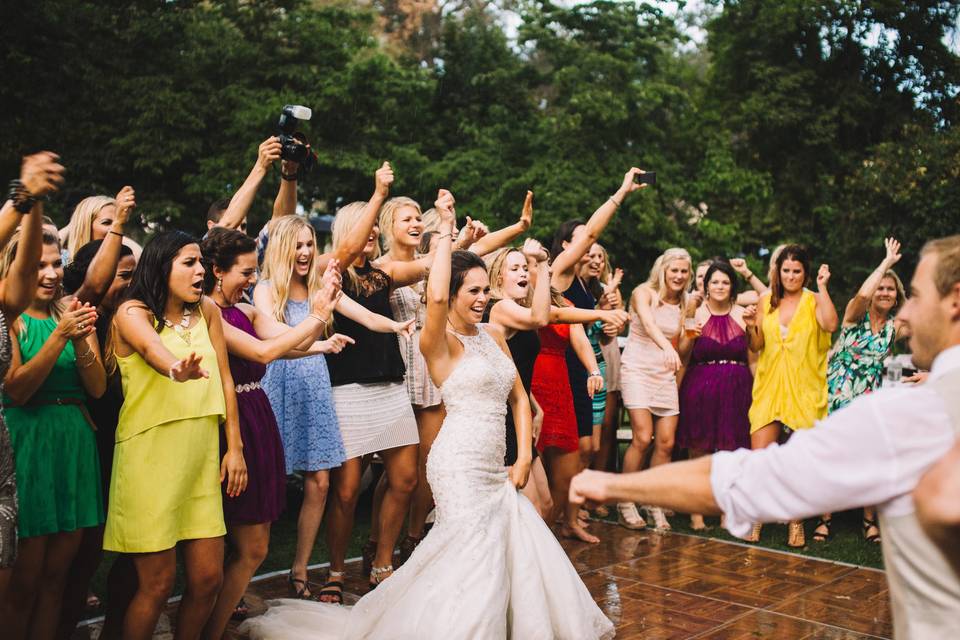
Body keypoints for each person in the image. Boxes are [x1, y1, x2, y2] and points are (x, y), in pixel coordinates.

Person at [242, 189, 615, 640]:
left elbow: (518, 398)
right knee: (470, 550)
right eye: (472, 292)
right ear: (453, 295)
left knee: (506, 544)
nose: (482, 299)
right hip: (457, 464)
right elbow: (433, 296)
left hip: (497, 465)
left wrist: (520, 459)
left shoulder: (494, 336)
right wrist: (443, 230)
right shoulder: (437, 345)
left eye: (484, 291)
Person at [570, 234, 960, 640]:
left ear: (954, 300)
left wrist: (612, 483)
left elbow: (750, 479)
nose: (907, 311)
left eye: (914, 295)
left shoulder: (906, 415)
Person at [199, 227, 351, 637]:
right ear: (217, 270)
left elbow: (284, 340)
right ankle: (208, 628)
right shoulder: (205, 312)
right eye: (245, 272)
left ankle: (214, 623)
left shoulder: (246, 311)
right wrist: (319, 317)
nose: (252, 280)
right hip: (228, 424)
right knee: (236, 544)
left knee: (256, 544)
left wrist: (320, 340)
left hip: (257, 418)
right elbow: (264, 353)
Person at [103, 230, 247, 640]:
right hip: (150, 459)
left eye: (201, 262)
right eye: (189, 263)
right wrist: (174, 369)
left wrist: (234, 447)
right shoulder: (132, 311)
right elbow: (151, 349)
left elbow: (225, 379)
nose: (201, 270)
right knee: (157, 583)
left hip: (200, 457)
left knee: (207, 580)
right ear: (162, 265)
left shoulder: (206, 311)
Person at [57, 239, 138, 640]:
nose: (130, 282)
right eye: (123, 275)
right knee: (80, 558)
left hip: (130, 443)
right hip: (93, 445)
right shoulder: (81, 316)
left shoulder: (135, 317)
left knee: (131, 553)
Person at [0, 152, 66, 616]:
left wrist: (34, 202)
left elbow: (21, 276)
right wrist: (21, 199)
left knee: (6, 588)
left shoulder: (5, 306)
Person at [743, 244, 838, 546]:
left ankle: (796, 522)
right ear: (778, 271)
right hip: (770, 385)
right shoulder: (765, 300)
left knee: (798, 461)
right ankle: (756, 517)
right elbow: (756, 345)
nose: (791, 276)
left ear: (806, 273)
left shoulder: (813, 300)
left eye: (797, 271)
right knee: (760, 458)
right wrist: (750, 327)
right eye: (786, 270)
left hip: (804, 388)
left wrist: (822, 287)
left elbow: (830, 324)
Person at [824, 237, 904, 544]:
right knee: (833, 455)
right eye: (880, 288)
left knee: (872, 458)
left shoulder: (895, 327)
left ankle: (868, 521)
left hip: (872, 395)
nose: (884, 293)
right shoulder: (852, 316)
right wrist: (886, 263)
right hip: (839, 391)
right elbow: (861, 293)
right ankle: (825, 517)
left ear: (896, 297)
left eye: (890, 289)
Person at [618, 247, 692, 531]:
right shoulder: (643, 293)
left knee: (666, 442)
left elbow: (683, 348)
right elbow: (648, 324)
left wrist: (688, 338)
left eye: (684, 271)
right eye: (674, 270)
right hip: (637, 369)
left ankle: (654, 501)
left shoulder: (686, 303)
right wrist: (667, 348)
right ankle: (625, 499)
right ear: (662, 270)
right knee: (641, 436)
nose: (679, 276)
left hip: (664, 374)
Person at [676, 260, 752, 530]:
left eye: (725, 282)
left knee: (733, 451)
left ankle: (726, 512)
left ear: (732, 287)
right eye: (714, 282)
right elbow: (683, 352)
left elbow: (754, 354)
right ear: (706, 286)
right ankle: (696, 514)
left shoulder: (745, 314)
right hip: (701, 387)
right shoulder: (694, 311)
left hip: (737, 388)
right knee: (699, 450)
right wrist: (690, 334)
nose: (720, 286)